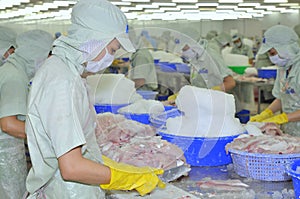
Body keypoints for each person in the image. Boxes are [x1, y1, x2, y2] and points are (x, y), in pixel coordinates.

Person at [25, 0, 165, 198]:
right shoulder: (62, 81)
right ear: (93, 40)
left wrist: (106, 164)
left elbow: (75, 146)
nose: (112, 58)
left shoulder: (68, 73)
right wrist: (128, 178)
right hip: (65, 191)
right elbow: (71, 167)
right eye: (112, 49)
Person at [0, 29, 53, 199]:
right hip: (4, 152)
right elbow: (8, 124)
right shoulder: (15, 76)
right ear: (35, 53)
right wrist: (49, 137)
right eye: (47, 56)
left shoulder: (14, 70)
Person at [250, 25, 300, 137]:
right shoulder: (283, 67)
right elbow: (283, 97)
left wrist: (283, 117)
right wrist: (266, 114)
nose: (271, 58)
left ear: (286, 48)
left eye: (273, 53)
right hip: (291, 131)